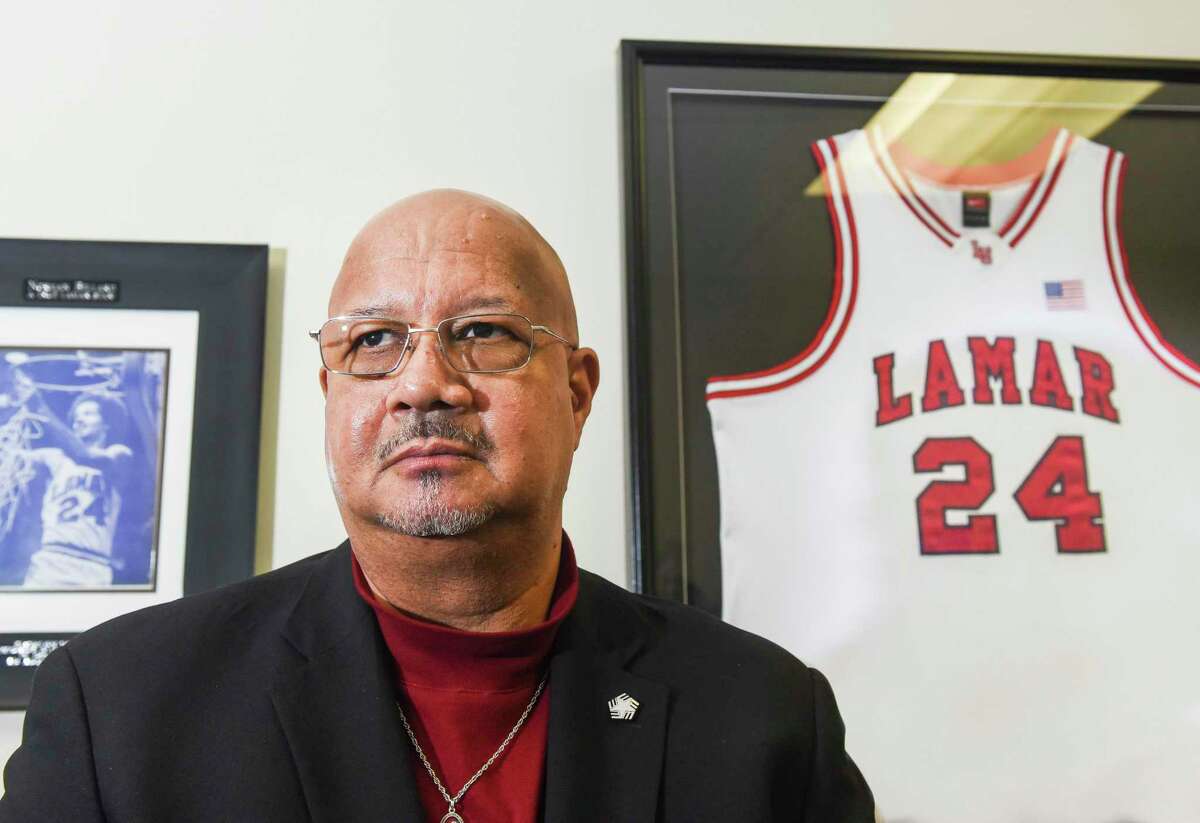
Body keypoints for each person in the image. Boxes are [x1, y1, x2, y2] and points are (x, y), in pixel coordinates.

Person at [0, 190, 875, 821]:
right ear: (331, 393)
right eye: (374, 341)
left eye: (484, 333)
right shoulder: (117, 712)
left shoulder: (764, 719)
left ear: (576, 393)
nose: (423, 383)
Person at [20, 393, 133, 588]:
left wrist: (38, 405)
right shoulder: (55, 459)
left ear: (106, 423)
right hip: (50, 559)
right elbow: (15, 458)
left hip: (93, 566)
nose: (79, 419)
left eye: (88, 414)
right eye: (76, 416)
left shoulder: (119, 455)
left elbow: (86, 456)